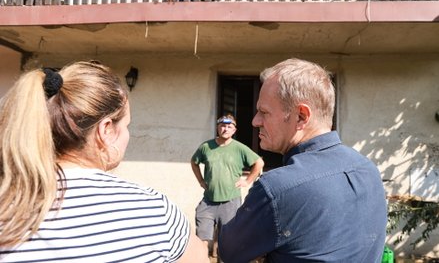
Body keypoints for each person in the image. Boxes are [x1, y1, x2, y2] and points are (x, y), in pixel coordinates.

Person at [0, 61, 209, 263]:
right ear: (106, 130)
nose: (128, 135)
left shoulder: (7, 206)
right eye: (127, 125)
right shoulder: (152, 210)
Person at [218, 58, 387, 262]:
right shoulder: (368, 169)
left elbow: (228, 251)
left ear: (301, 116)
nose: (255, 121)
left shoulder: (278, 187)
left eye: (264, 112)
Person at [191, 114, 264, 257]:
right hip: (208, 202)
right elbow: (194, 162)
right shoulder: (206, 147)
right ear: (218, 127)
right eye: (222, 126)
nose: (225, 129)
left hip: (230, 202)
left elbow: (259, 163)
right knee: (202, 241)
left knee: (228, 243)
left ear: (234, 130)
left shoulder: (239, 148)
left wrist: (247, 181)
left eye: (229, 126)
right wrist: (200, 180)